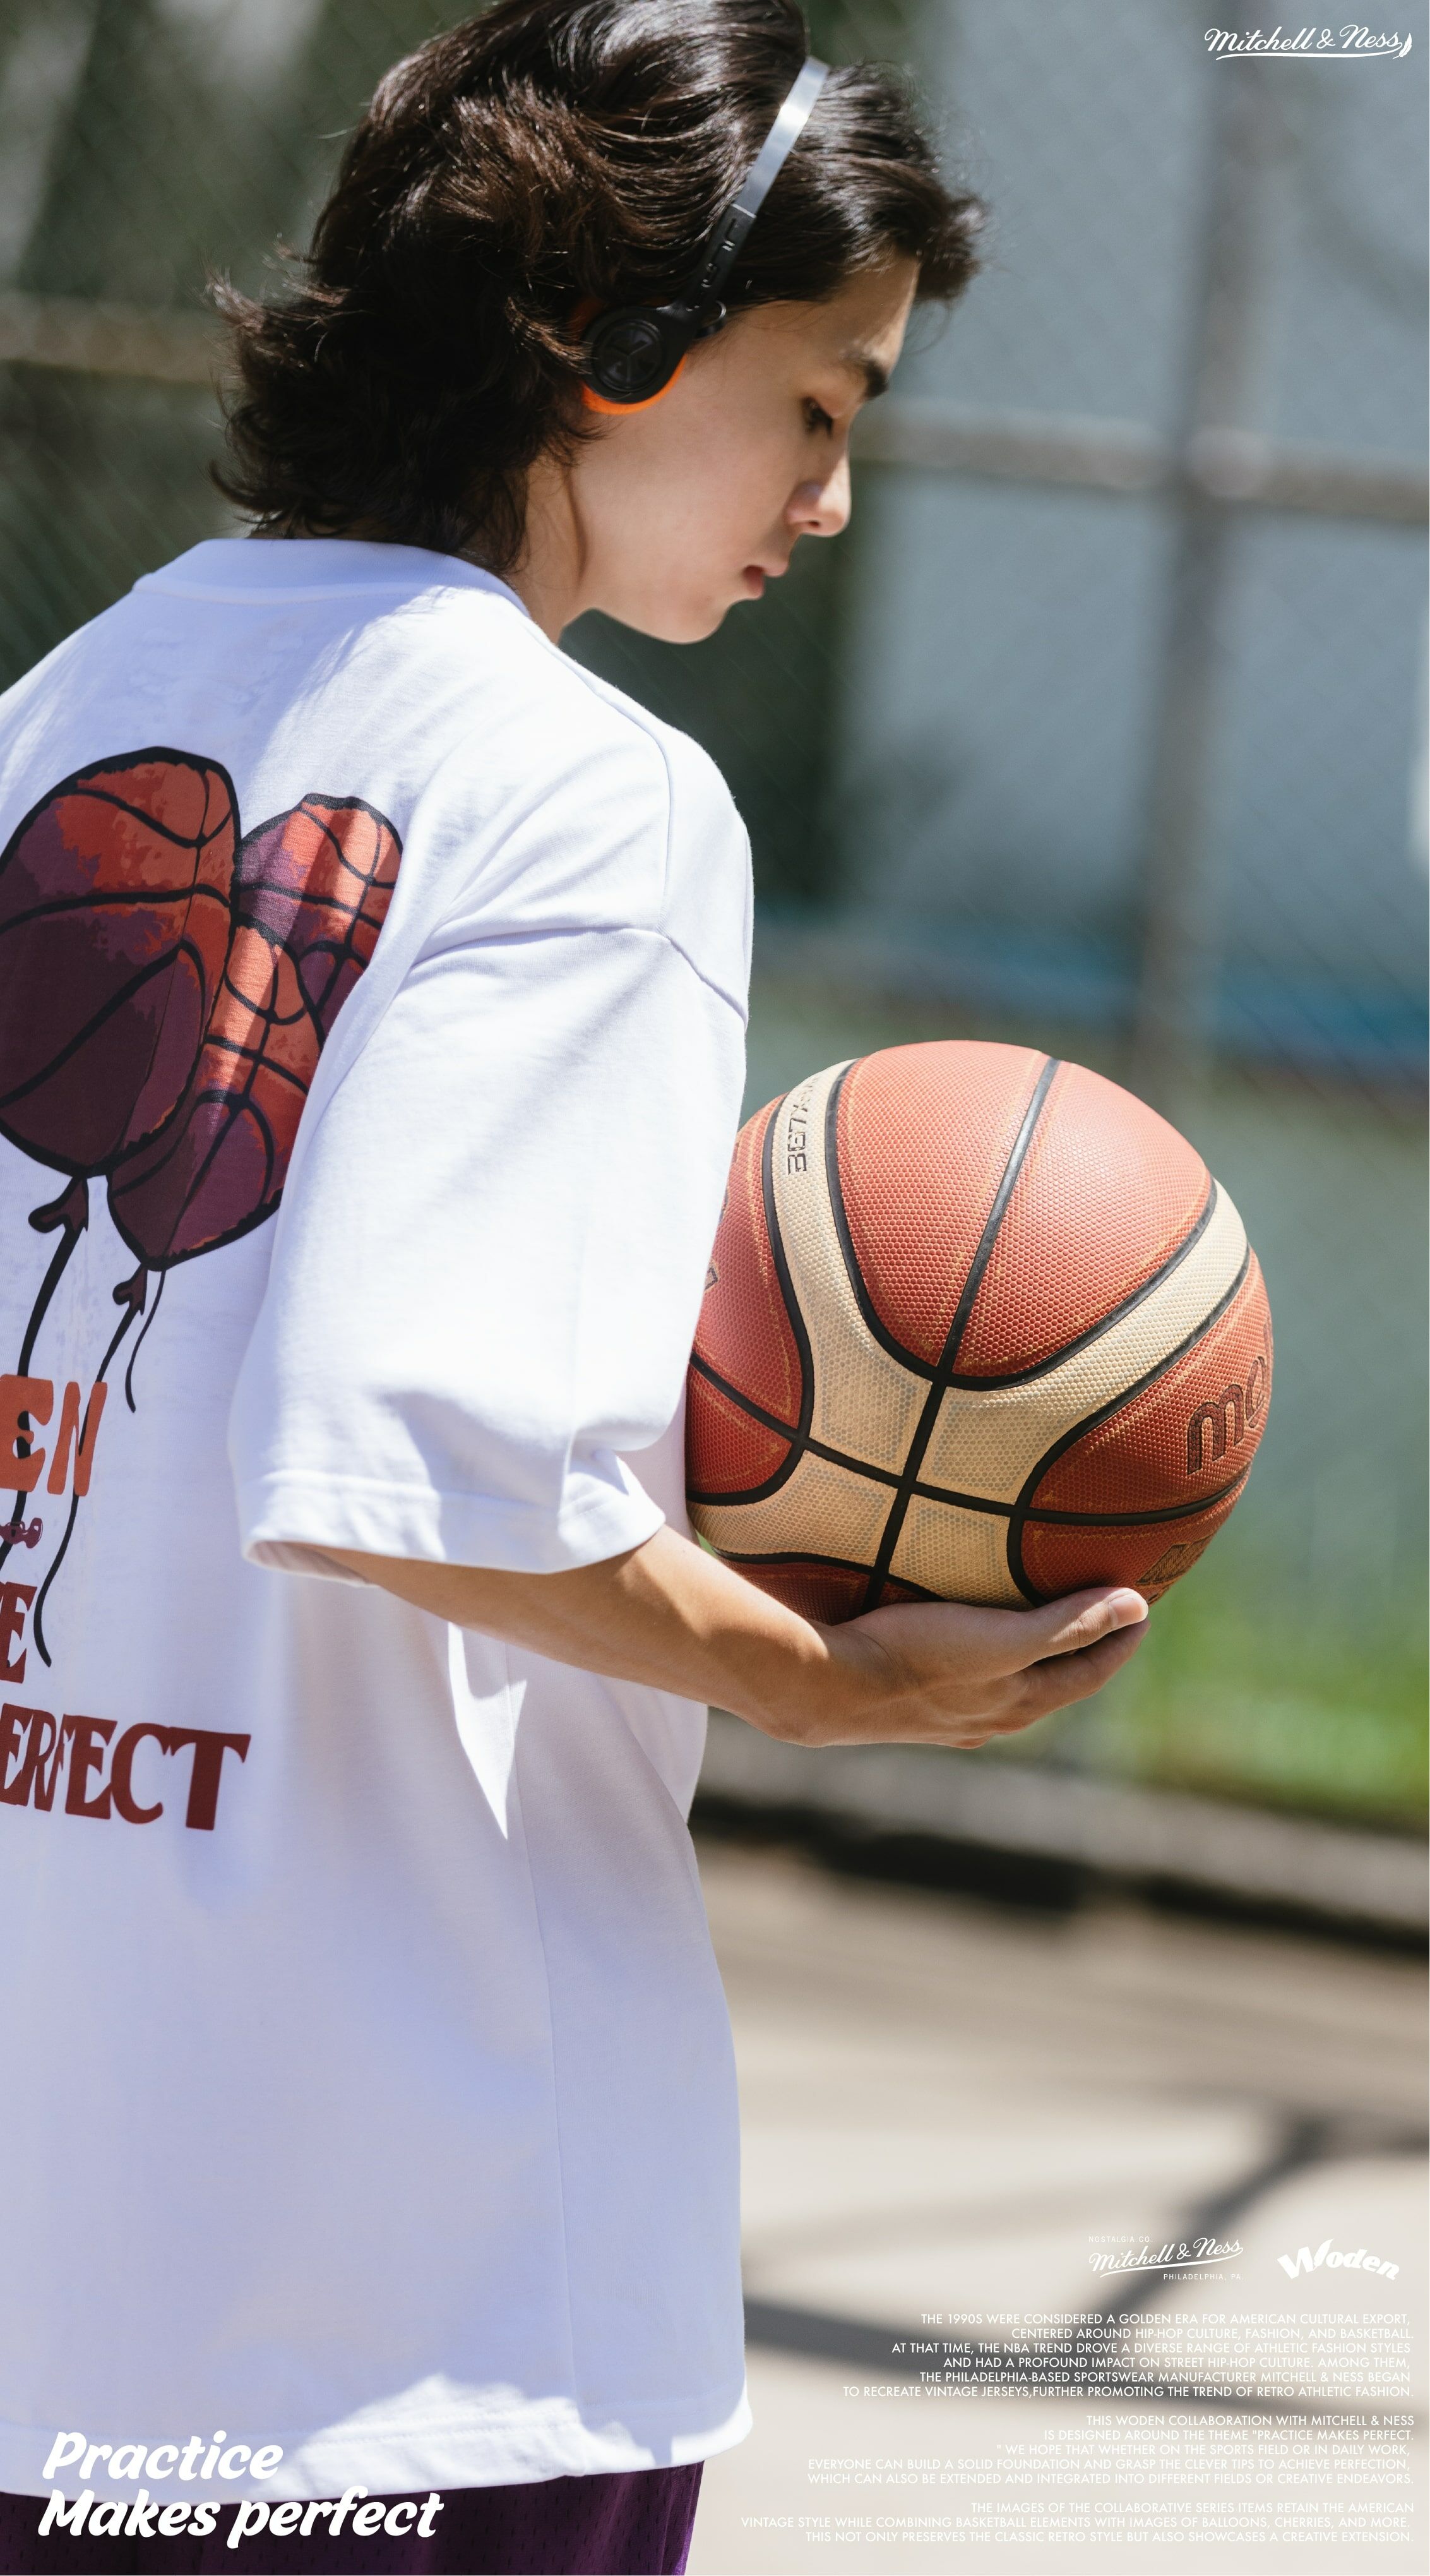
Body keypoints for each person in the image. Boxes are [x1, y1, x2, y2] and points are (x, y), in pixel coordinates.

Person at [0, 4, 1148, 2570]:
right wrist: (814, 1682)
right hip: (398, 2291)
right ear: (601, 346)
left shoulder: (63, 709)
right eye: (821, 405)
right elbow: (398, 1451)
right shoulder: (590, 800)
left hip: (49, 2243)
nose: (834, 500)